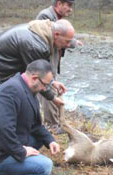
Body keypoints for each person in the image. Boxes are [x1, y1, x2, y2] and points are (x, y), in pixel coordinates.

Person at [0, 59, 61, 175]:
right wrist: (22, 151)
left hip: (4, 144)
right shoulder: (10, 91)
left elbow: (35, 125)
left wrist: (50, 140)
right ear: (34, 78)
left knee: (40, 138)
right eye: (45, 85)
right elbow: (3, 128)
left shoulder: (28, 88)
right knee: (44, 165)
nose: (45, 89)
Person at [0, 19, 75, 102]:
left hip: (1, 65)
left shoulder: (42, 29)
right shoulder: (36, 45)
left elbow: (41, 74)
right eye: (67, 41)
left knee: (13, 102)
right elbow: (38, 76)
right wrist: (52, 98)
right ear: (56, 34)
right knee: (9, 102)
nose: (67, 45)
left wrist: (52, 82)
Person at [36, 0, 82, 129]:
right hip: (44, 62)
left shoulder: (57, 18)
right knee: (49, 89)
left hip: (50, 63)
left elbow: (63, 37)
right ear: (59, 3)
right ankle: (52, 126)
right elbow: (56, 39)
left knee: (52, 90)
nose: (70, 9)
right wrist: (72, 42)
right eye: (68, 5)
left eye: (71, 6)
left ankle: (53, 123)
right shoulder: (46, 16)